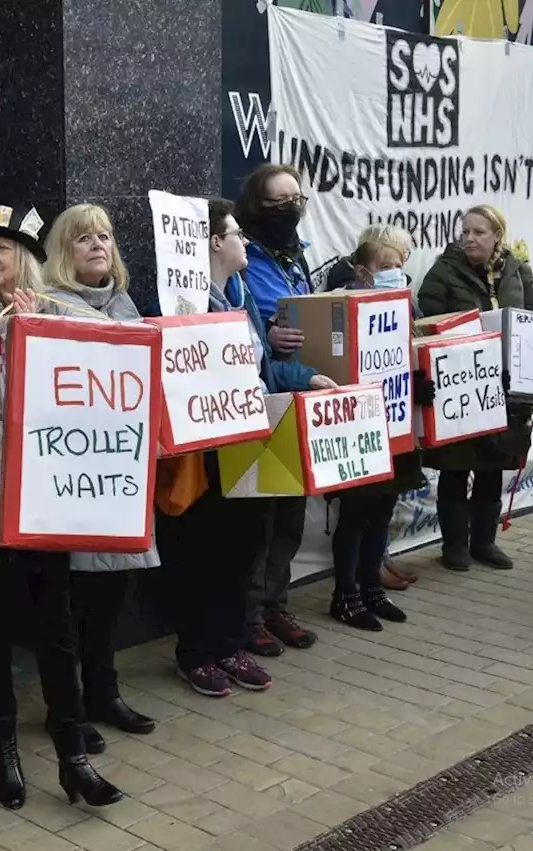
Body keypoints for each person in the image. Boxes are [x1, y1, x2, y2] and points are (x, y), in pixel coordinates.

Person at [0, 203, 123, 811]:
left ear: (26, 258)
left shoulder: (62, 315)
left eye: (3, 248)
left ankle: (73, 758)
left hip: (48, 501)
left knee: (57, 632)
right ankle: (4, 750)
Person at [155, 199, 333, 696]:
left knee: (241, 549)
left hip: (248, 442)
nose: (246, 242)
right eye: (236, 233)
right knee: (202, 555)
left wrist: (304, 376)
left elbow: (259, 371)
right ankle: (196, 652)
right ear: (214, 242)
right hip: (203, 453)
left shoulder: (239, 296)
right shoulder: (181, 304)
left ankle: (231, 643)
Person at [41, 203, 157, 738]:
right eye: (83, 237)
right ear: (63, 251)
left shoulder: (127, 306)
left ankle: (104, 695)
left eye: (105, 236)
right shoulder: (48, 307)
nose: (97, 245)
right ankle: (67, 708)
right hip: (70, 476)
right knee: (70, 605)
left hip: (119, 474)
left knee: (112, 596)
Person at [417, 204, 533, 571]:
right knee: (456, 467)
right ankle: (454, 546)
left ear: (497, 237)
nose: (470, 238)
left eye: (479, 232)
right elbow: (426, 322)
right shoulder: (444, 270)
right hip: (461, 383)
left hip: (506, 386)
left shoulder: (518, 270)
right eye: (466, 232)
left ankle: (484, 543)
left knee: (494, 465)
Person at [325, 239, 434, 630]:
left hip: (399, 426)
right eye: (386, 264)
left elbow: (415, 351)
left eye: (400, 263)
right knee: (355, 514)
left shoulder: (405, 305)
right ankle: (346, 594)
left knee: (382, 510)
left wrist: (418, 384)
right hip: (363, 426)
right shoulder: (341, 307)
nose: (395, 271)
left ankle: (372, 587)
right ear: (363, 271)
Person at [234, 163, 318, 657]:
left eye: (296, 200)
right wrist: (267, 336)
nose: (290, 210)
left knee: (290, 510)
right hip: (261, 395)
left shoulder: (296, 256)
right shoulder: (246, 255)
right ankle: (250, 616)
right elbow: (238, 322)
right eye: (278, 202)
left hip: (300, 388)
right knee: (261, 514)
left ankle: (275, 605)